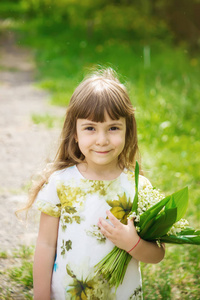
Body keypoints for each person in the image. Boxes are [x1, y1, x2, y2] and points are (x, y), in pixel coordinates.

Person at [29, 68, 165, 299]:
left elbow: (157, 254)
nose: (102, 140)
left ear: (127, 130)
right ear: (75, 133)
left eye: (113, 128)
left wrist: (132, 243)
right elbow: (45, 245)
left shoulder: (138, 188)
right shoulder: (60, 183)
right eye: (90, 128)